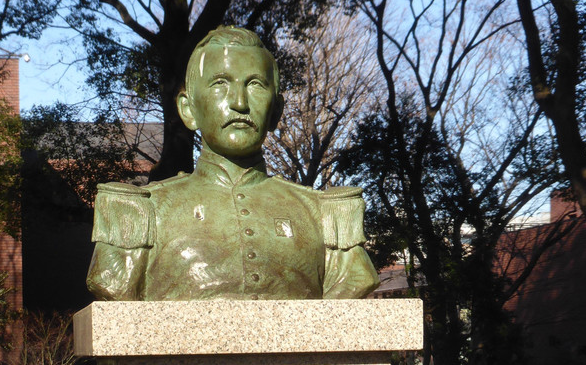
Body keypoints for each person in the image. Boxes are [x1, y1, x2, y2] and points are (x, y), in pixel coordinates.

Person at [86, 26, 380, 301]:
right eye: (220, 84)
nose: (239, 102)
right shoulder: (143, 210)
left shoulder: (322, 214)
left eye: (255, 85)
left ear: (276, 111)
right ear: (188, 110)